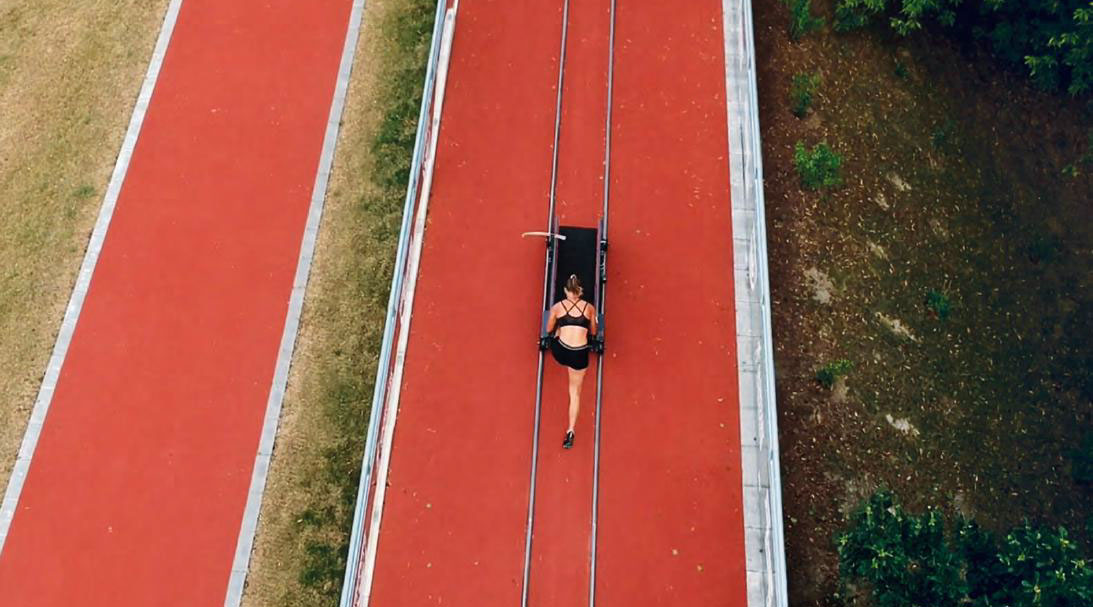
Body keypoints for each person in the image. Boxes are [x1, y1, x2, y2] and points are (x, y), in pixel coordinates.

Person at [545, 274, 598, 449]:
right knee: (574, 392)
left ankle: (565, 343)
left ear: (566, 291)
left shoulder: (557, 307)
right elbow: (594, 332)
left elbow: (549, 329)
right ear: (580, 291)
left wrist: (560, 326)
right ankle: (570, 430)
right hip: (579, 355)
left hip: (561, 352)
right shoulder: (589, 308)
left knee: (560, 328)